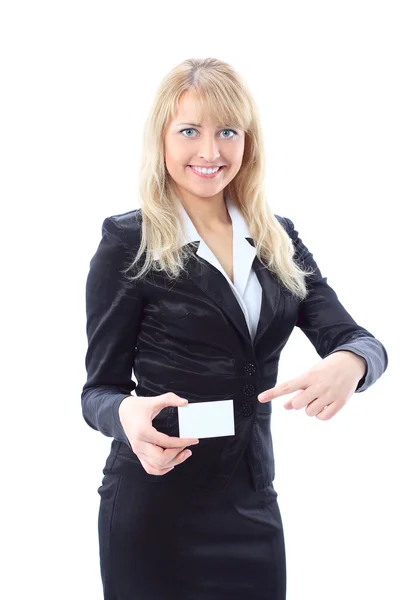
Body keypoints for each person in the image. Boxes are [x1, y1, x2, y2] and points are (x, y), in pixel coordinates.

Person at [81, 57, 388, 600]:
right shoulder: (128, 241)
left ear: (248, 141)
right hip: (154, 507)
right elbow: (98, 393)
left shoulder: (277, 240)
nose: (210, 152)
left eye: (227, 132)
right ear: (162, 139)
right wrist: (124, 413)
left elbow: (356, 338)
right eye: (189, 131)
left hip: (251, 503)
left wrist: (353, 363)